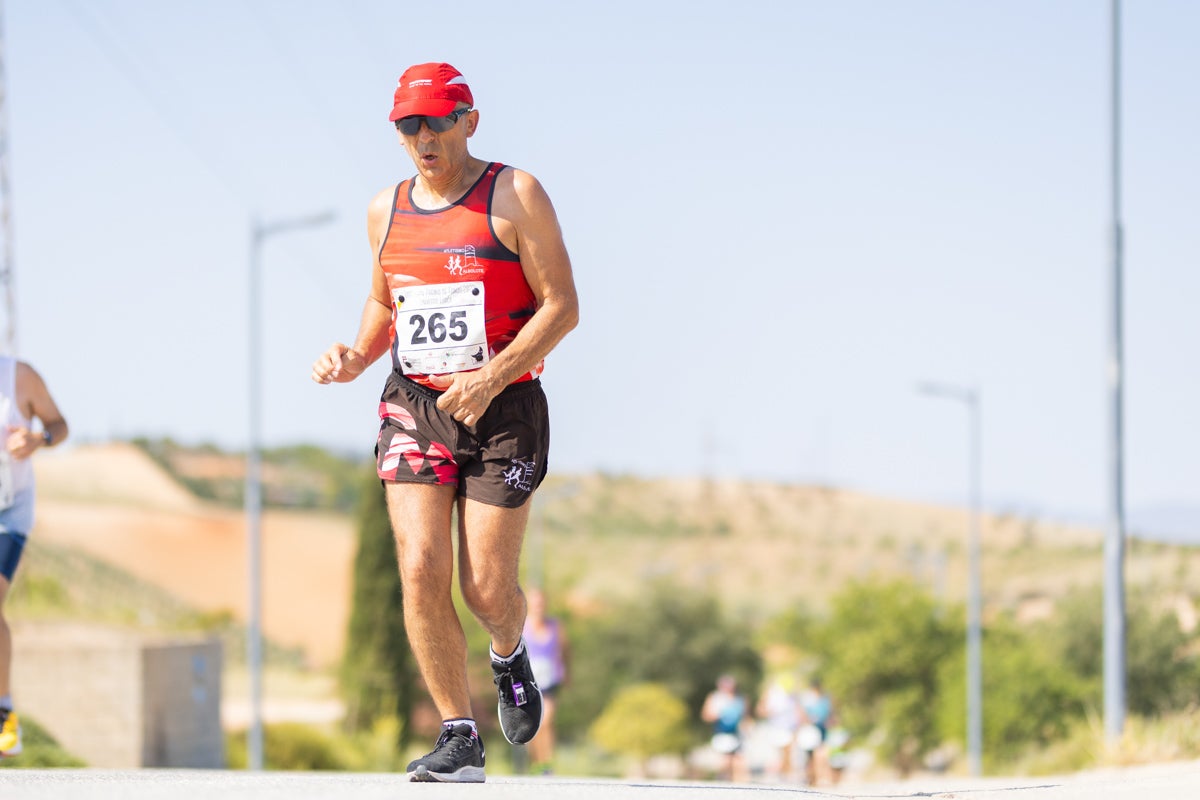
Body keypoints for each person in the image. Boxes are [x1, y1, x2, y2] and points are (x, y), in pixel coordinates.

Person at [311, 61, 579, 783]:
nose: (423, 137)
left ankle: (507, 652)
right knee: (422, 566)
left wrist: (491, 374)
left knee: (487, 588)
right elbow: (383, 300)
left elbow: (563, 306)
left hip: (505, 404)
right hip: (416, 404)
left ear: (469, 121)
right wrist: (355, 356)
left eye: (435, 121)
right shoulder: (385, 209)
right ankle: (460, 737)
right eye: (408, 125)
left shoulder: (515, 194)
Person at [0, 356, 69, 758]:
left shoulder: (19, 377)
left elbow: (60, 426)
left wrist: (37, 441)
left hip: (10, 511)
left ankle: (4, 711)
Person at [521, 587, 569, 774]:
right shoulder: (522, 626)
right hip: (528, 682)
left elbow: (565, 650)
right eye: (535, 602)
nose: (539, 606)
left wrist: (566, 672)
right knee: (532, 724)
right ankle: (536, 761)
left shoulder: (556, 626)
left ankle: (547, 763)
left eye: (541, 602)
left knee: (547, 721)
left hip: (549, 680)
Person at [701, 674, 747, 782]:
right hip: (721, 733)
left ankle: (741, 790)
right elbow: (706, 715)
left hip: (737, 734)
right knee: (725, 762)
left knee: (738, 763)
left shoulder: (740, 699)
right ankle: (722, 784)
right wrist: (717, 715)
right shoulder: (715, 698)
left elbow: (746, 716)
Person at [756, 673, 800, 781]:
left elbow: (797, 711)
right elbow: (760, 709)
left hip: (789, 728)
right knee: (776, 755)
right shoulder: (771, 693)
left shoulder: (792, 695)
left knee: (787, 754)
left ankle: (785, 778)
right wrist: (768, 712)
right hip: (774, 728)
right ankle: (777, 776)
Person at [798, 676, 835, 786]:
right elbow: (802, 713)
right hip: (811, 730)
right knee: (810, 757)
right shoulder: (808, 699)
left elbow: (830, 713)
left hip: (822, 729)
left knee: (821, 755)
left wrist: (830, 722)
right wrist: (807, 721)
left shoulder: (825, 699)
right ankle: (811, 777)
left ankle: (819, 777)